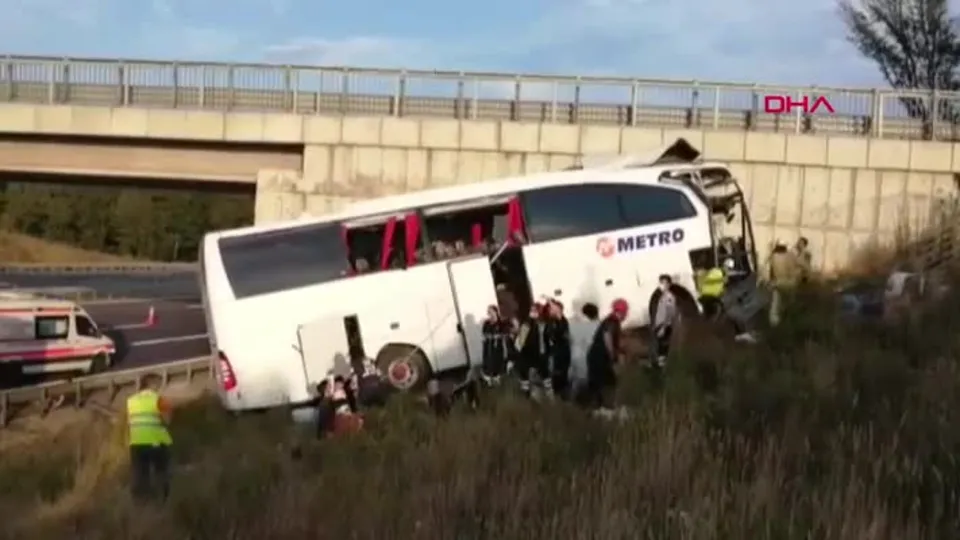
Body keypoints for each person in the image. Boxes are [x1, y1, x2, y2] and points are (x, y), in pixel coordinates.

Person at [126, 373, 173, 502]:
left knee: (140, 474)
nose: (159, 388)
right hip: (156, 442)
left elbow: (129, 422)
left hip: (136, 443)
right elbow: (168, 420)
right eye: (158, 385)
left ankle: (141, 502)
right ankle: (163, 500)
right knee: (161, 472)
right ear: (151, 385)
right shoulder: (159, 399)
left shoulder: (130, 401)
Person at [584, 299, 627, 413]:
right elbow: (607, 336)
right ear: (621, 311)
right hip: (599, 357)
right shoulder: (612, 321)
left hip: (595, 356)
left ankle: (599, 409)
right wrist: (613, 355)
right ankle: (607, 408)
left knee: (600, 384)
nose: (626, 315)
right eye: (625, 312)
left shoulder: (610, 320)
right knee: (607, 383)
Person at [514, 303, 551, 399]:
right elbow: (519, 343)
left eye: (535, 310)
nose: (533, 313)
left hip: (541, 356)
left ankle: (549, 398)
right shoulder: (527, 324)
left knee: (545, 378)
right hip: (529, 355)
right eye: (532, 311)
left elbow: (547, 340)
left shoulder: (544, 324)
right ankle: (527, 398)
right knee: (527, 379)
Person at [544, 299, 573, 399]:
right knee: (555, 374)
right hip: (553, 352)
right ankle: (558, 394)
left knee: (561, 374)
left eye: (552, 309)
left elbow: (563, 335)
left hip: (562, 352)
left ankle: (563, 395)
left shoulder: (562, 321)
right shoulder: (550, 321)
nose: (550, 310)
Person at [768, 243, 800, 327]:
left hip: (778, 283)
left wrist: (771, 282)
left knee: (776, 299)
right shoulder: (790, 255)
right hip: (791, 283)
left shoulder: (773, 257)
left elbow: (771, 273)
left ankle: (775, 321)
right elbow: (799, 266)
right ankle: (791, 317)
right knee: (789, 300)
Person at [651, 275, 678, 368]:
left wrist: (664, 326)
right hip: (659, 324)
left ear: (669, 284)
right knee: (659, 346)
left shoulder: (669, 297)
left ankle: (664, 366)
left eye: (665, 283)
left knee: (664, 346)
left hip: (665, 325)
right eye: (661, 282)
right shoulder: (661, 296)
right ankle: (661, 364)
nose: (662, 285)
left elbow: (670, 313)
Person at [480, 305, 510, 385]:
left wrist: (498, 336)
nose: (489, 313)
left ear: (496, 312)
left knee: (497, 360)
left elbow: (505, 333)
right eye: (488, 312)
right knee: (488, 360)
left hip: (498, 345)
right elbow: (484, 333)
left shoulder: (501, 323)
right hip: (488, 345)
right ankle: (489, 378)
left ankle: (497, 377)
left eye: (491, 311)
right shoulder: (486, 323)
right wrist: (486, 337)